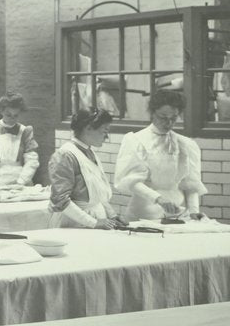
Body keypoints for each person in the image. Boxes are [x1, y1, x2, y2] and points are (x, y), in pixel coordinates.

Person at [114, 90, 207, 221]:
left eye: (173, 118)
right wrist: (158, 199)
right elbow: (132, 182)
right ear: (152, 113)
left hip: (179, 211)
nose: (168, 123)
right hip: (145, 211)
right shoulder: (136, 140)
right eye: (163, 117)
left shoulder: (186, 144)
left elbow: (191, 185)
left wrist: (193, 210)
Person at [48, 108, 124, 229]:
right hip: (74, 223)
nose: (106, 137)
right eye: (104, 131)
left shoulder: (89, 152)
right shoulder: (65, 155)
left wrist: (112, 215)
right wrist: (94, 223)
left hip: (96, 220)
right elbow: (60, 200)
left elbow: (98, 194)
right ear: (88, 128)